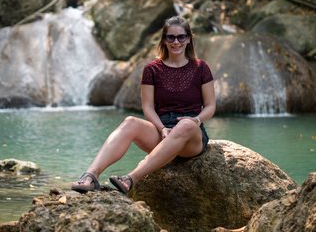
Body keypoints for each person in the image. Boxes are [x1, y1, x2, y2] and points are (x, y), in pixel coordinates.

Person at [71, 15, 216, 194]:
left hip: (191, 138)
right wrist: (162, 128)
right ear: (164, 39)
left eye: (181, 37)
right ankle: (90, 176)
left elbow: (210, 106)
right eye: (170, 37)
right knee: (130, 122)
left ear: (188, 39)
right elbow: (148, 107)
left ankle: (131, 178)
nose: (176, 42)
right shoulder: (152, 69)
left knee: (185, 124)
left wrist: (196, 120)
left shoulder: (201, 68)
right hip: (162, 133)